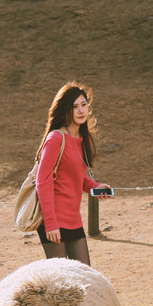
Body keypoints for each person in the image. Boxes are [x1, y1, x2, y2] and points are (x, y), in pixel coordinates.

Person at [34, 82, 113, 266]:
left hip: (73, 219)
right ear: (65, 110)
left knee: (85, 275)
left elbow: (78, 176)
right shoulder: (55, 138)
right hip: (53, 220)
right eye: (75, 106)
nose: (80, 111)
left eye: (84, 105)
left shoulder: (83, 139)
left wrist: (96, 187)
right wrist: (51, 223)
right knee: (62, 282)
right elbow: (42, 181)